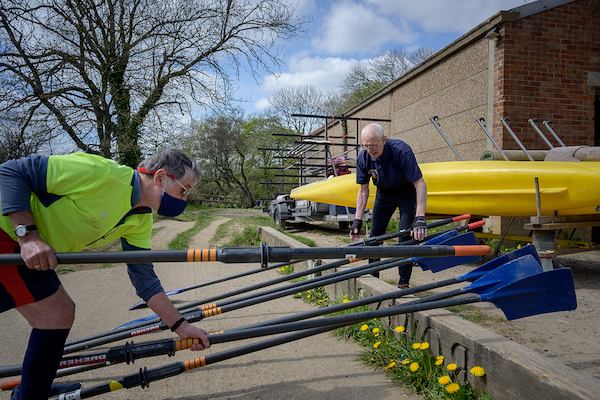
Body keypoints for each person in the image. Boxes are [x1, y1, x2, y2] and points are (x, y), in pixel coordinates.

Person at [0, 149, 210, 399]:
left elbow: (146, 282)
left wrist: (180, 325)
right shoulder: (102, 173)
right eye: (184, 190)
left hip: (25, 251)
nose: (185, 199)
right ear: (161, 178)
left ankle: (33, 390)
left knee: (58, 313)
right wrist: (28, 235)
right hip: (7, 235)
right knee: (55, 313)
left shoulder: (140, 219)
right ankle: (31, 393)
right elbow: (10, 171)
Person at [349, 123, 427, 288]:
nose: (370, 150)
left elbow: (420, 183)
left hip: (406, 193)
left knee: (405, 237)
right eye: (366, 146)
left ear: (383, 140)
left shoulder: (401, 151)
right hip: (384, 194)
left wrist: (420, 217)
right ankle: (373, 278)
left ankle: (403, 282)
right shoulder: (364, 158)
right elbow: (363, 191)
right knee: (374, 237)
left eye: (373, 146)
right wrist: (357, 219)